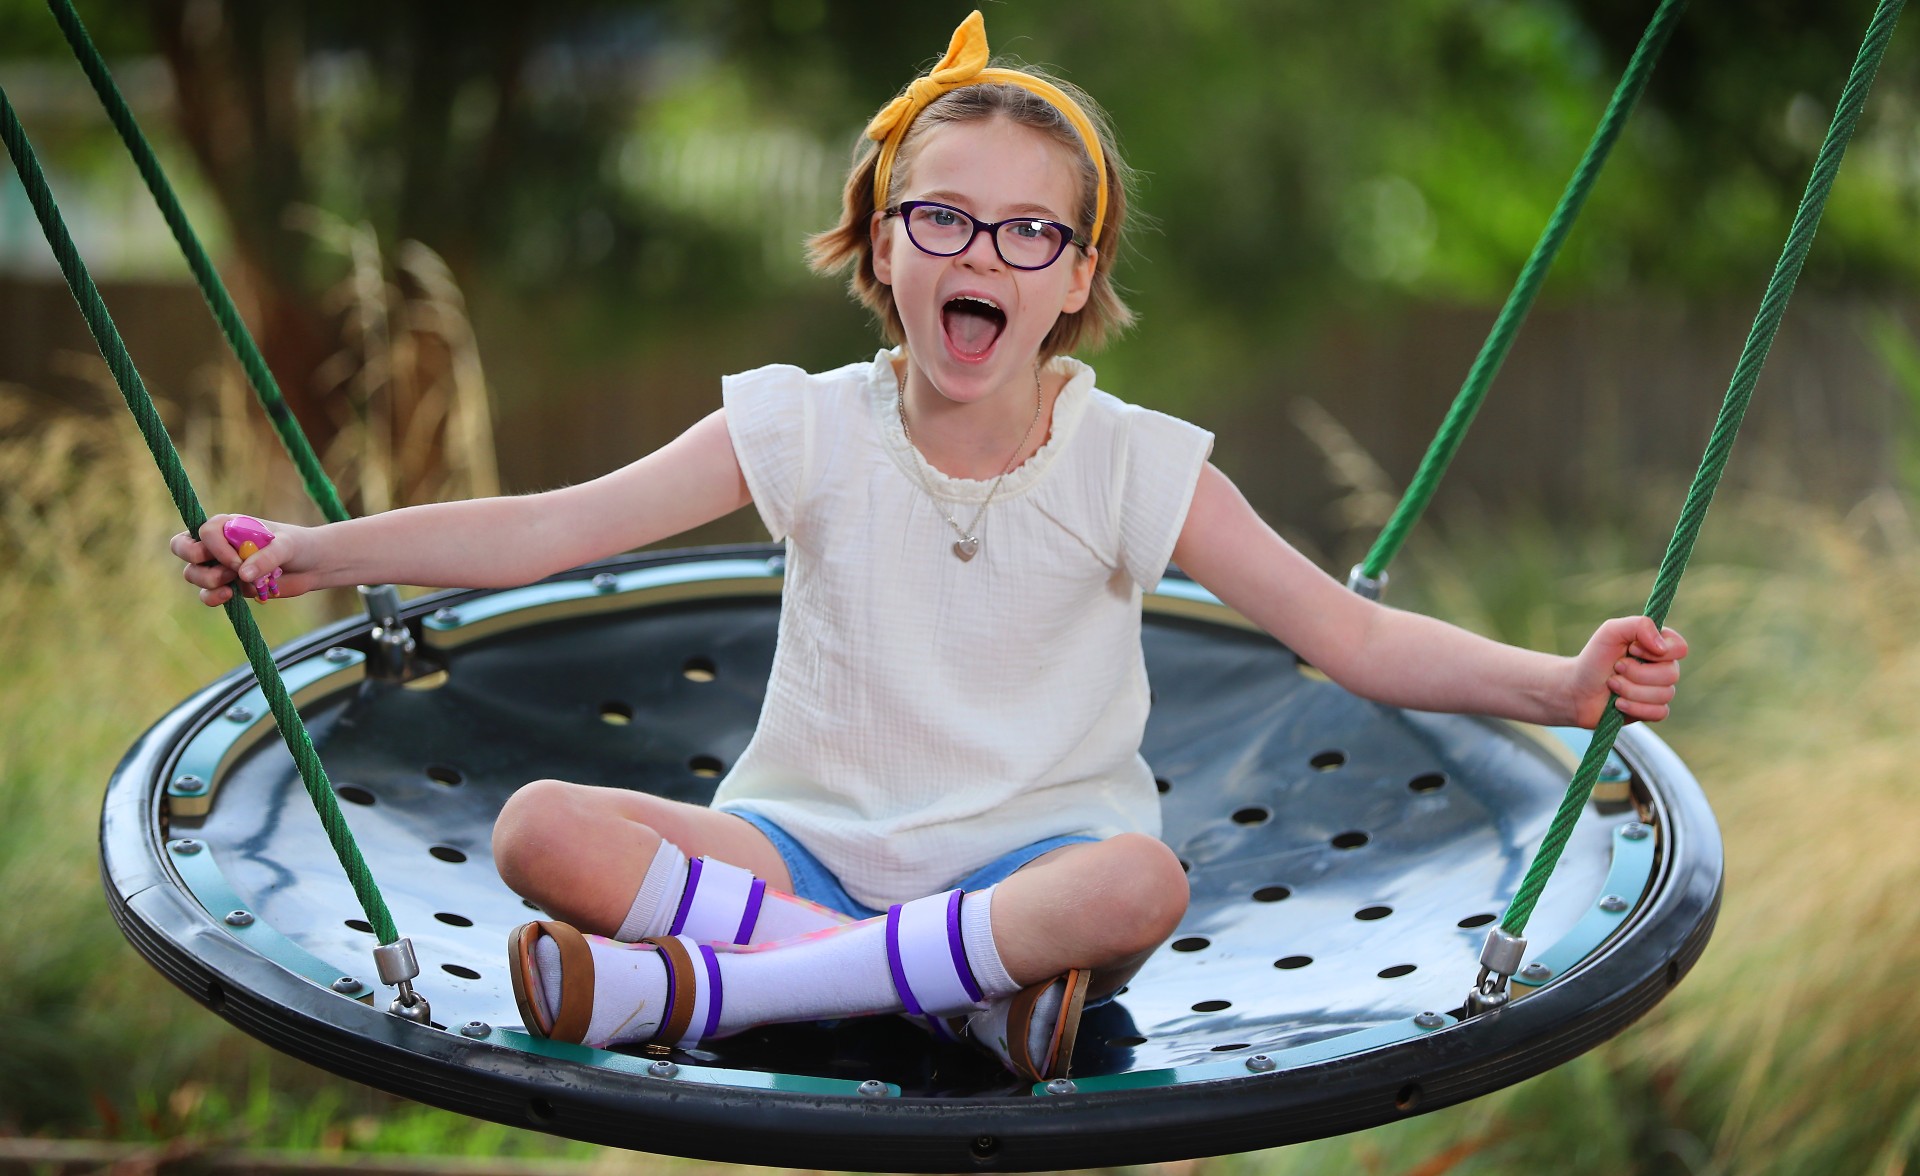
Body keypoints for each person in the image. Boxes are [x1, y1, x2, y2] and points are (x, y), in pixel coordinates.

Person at [170, 11, 1686, 1080]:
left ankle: (719, 992)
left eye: (1032, 232)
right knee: (539, 833)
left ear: (1079, 274)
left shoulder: (1134, 463)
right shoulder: (803, 426)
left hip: (1029, 867)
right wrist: (312, 551)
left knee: (1140, 883)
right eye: (943, 218)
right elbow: (554, 529)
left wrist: (1564, 685)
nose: (984, 254)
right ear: (880, 240)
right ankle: (950, 1005)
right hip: (803, 842)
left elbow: (1345, 633)